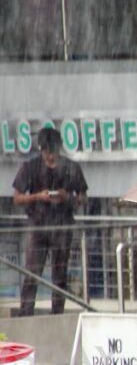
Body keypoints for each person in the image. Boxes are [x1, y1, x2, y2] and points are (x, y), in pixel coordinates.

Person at [12, 126, 88, 316]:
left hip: (62, 226)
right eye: (47, 153)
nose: (51, 157)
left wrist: (67, 196)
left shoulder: (71, 168)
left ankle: (57, 312)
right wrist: (38, 196)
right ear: (41, 150)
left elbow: (83, 197)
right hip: (38, 226)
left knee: (60, 274)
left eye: (53, 152)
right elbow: (17, 197)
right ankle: (26, 312)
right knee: (32, 272)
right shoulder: (30, 167)